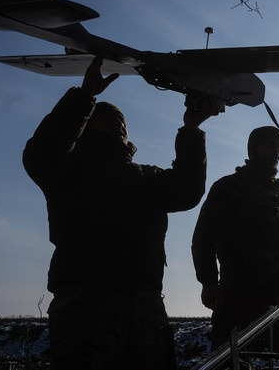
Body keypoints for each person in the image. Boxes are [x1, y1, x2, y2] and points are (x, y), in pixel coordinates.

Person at [23, 56, 218, 369]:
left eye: (123, 122)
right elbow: (42, 152)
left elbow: (187, 191)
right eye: (108, 118)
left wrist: (191, 129)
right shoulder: (68, 171)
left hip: (146, 305)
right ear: (85, 126)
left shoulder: (146, 177)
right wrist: (85, 96)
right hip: (85, 304)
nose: (120, 125)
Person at [191, 126, 279, 369]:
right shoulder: (228, 188)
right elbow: (204, 238)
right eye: (270, 145)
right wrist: (209, 281)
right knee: (228, 364)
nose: (277, 152)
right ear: (254, 148)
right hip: (237, 294)